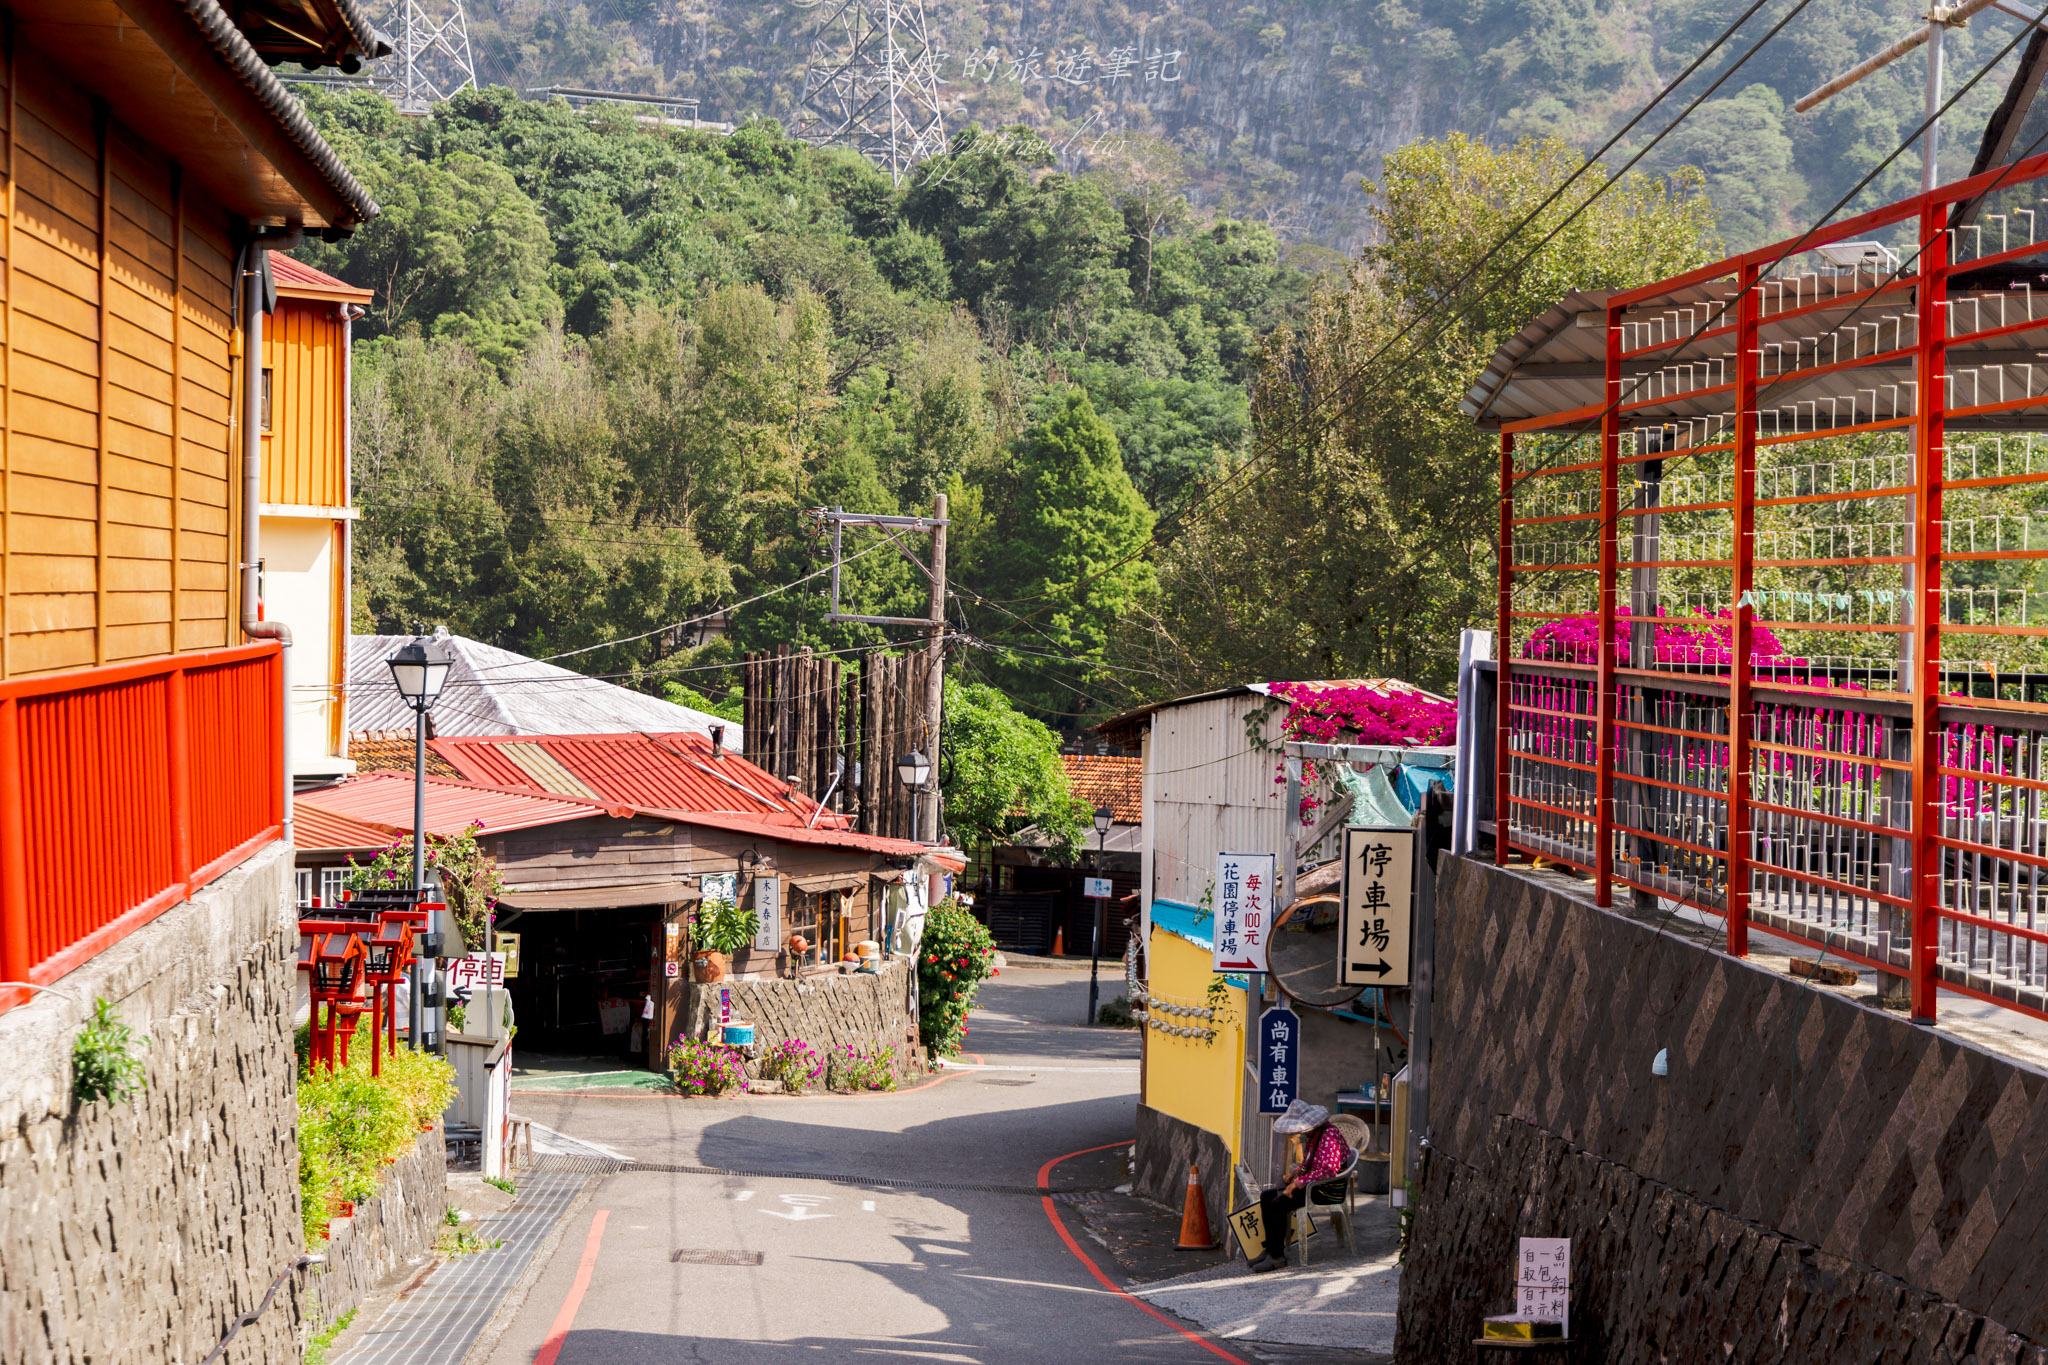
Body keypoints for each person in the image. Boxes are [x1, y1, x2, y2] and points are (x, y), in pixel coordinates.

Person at [1251, 1100, 1350, 1273]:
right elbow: (1309, 1162)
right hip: (1313, 1184)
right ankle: (1270, 1248)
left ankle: (1277, 1256)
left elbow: (1328, 1170)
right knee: (1266, 1196)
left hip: (1325, 1189)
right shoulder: (1314, 1136)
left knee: (1278, 1203)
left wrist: (1298, 1183)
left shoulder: (1329, 1136)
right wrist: (1296, 1173)